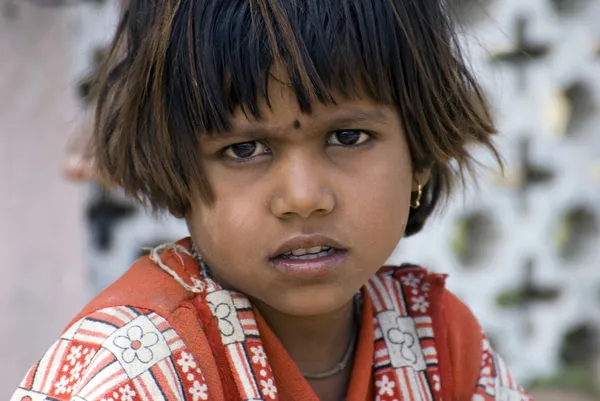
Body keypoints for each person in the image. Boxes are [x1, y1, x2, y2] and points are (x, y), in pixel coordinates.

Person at [11, 0, 532, 400]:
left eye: (348, 137)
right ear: (174, 170)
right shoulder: (134, 371)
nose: (304, 198)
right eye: (244, 149)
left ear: (419, 149)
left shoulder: (437, 341)